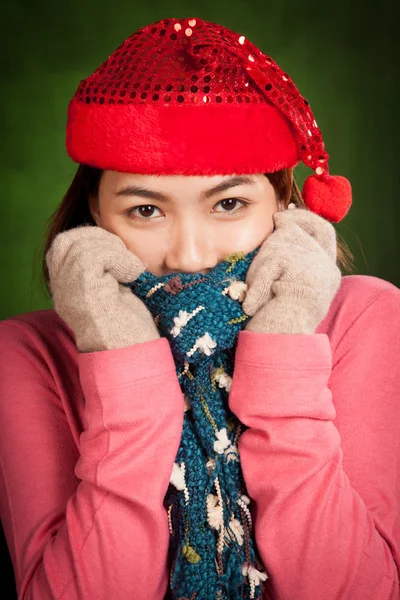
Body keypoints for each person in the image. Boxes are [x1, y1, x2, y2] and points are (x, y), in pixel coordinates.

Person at [0, 15, 399, 600]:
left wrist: (284, 352)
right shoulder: (24, 354)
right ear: (94, 212)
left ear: (283, 199)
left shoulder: (368, 318)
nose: (189, 256)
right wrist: (122, 364)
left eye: (229, 202)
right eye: (145, 210)